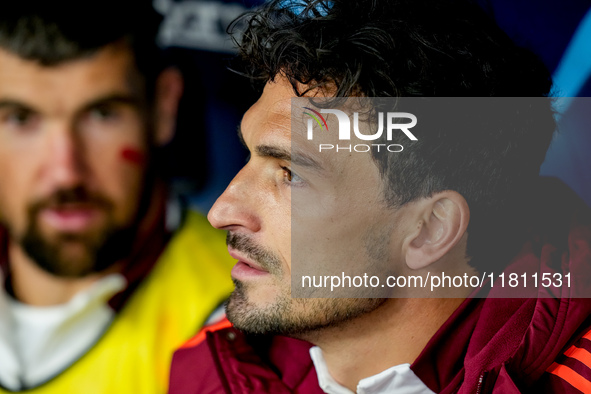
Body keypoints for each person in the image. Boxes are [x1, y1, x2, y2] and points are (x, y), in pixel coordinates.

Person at [169, 0, 591, 393]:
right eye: (249, 155)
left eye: (291, 174)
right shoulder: (215, 364)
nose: (221, 211)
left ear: (429, 230)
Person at [0, 1, 235, 392]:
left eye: (103, 115)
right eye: (21, 119)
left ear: (163, 106)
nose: (65, 172)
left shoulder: (247, 316)